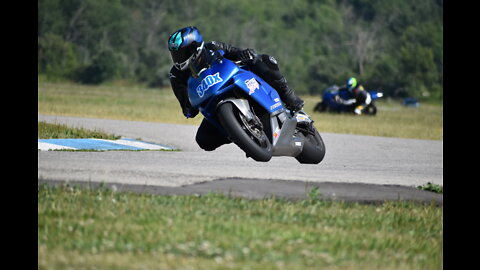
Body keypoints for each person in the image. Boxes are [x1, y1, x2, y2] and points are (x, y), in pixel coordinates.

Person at [167, 26, 305, 151]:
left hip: (235, 82)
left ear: (195, 47)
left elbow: (237, 53)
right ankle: (240, 134)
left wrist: (247, 55)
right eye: (175, 55)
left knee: (263, 60)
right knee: (203, 140)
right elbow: (187, 107)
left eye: (181, 54)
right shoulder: (176, 75)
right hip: (212, 103)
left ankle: (288, 95)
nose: (177, 59)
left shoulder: (212, 47)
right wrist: (189, 106)